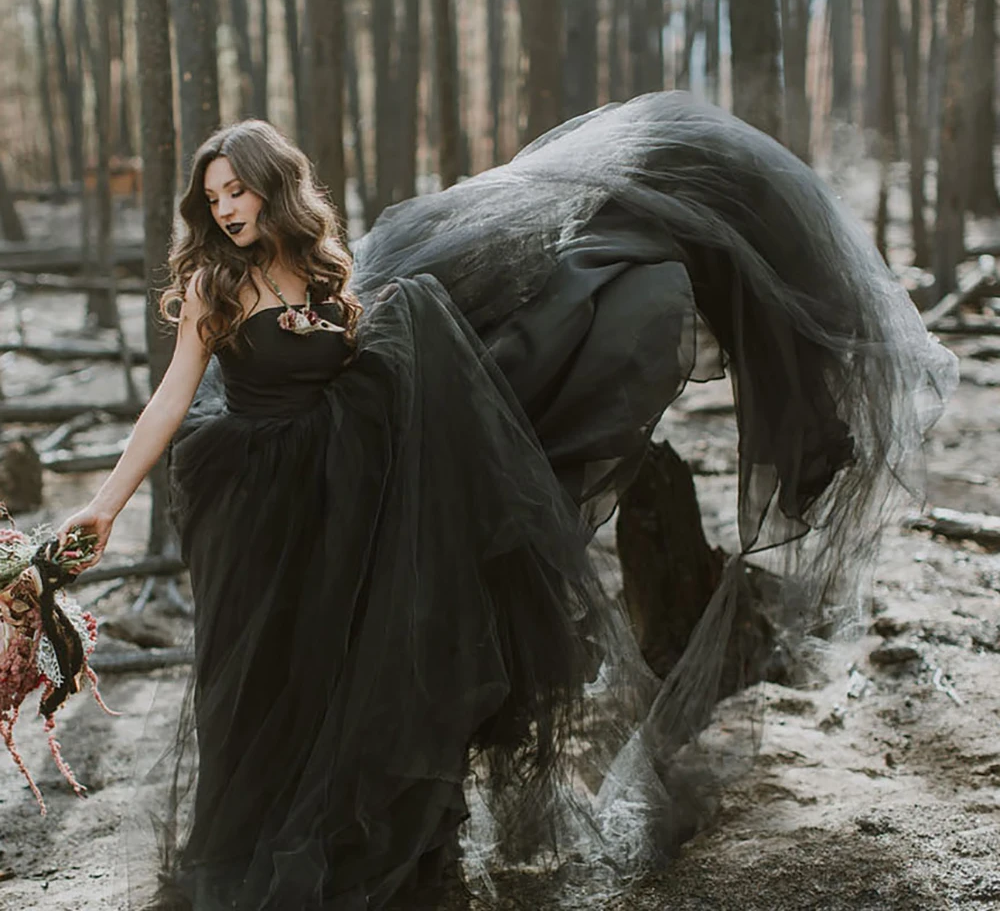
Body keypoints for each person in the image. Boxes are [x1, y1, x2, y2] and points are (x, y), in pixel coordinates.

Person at [58, 94, 956, 910]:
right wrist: (103, 505)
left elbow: (388, 371)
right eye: (211, 197)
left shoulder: (331, 276)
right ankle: (240, 870)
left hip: (356, 506)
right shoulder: (219, 285)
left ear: (271, 187)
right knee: (263, 688)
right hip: (262, 512)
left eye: (234, 191)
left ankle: (376, 856)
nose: (223, 209)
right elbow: (172, 398)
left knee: (362, 675)